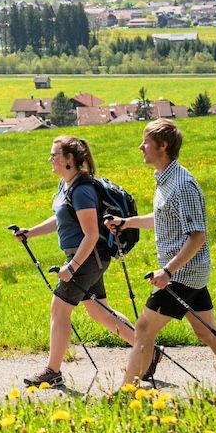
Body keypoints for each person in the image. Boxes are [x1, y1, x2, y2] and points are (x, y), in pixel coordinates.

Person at [114, 117, 216, 391]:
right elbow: (164, 218)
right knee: (206, 331)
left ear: (163, 146)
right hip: (188, 271)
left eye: (146, 142)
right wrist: (126, 222)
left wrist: (168, 271)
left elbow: (197, 236)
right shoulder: (166, 181)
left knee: (143, 328)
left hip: (182, 273)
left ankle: (126, 393)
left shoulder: (182, 184)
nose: (141, 147)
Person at [13, 134, 139, 389]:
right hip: (86, 257)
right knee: (98, 311)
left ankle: (53, 371)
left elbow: (91, 234)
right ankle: (146, 349)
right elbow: (61, 219)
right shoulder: (65, 185)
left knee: (59, 309)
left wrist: (72, 267)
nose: (50, 159)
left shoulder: (82, 190)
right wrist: (30, 232)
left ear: (69, 159)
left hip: (88, 257)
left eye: (54, 155)